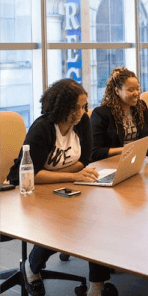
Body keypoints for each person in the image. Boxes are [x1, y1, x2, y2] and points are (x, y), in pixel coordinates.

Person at [6, 79, 114, 296]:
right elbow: (28, 175)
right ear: (61, 107)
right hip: (28, 192)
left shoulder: (82, 122)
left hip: (61, 185)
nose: (81, 112)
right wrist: (71, 176)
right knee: (63, 223)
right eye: (76, 108)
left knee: (97, 218)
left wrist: (63, 176)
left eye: (84, 106)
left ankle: (96, 286)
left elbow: (85, 159)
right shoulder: (43, 128)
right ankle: (31, 267)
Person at [91, 66, 148, 162]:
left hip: (139, 159)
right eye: (131, 90)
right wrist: (129, 149)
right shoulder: (101, 113)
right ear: (117, 91)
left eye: (138, 88)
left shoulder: (141, 106)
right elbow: (95, 152)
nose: (136, 93)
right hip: (114, 162)